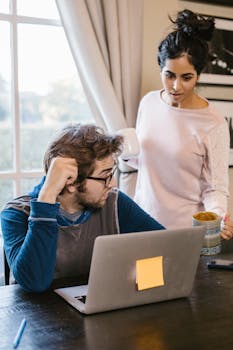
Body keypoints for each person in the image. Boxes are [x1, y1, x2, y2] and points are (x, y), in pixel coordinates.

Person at [1, 124, 165, 293]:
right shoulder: (16, 214)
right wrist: (47, 198)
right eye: (105, 176)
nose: (113, 183)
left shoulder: (115, 203)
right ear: (71, 182)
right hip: (37, 316)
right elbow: (35, 282)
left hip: (97, 308)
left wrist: (136, 284)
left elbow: (166, 248)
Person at [127, 9, 230, 233]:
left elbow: (216, 188)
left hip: (185, 233)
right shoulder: (148, 103)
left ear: (198, 75)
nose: (176, 86)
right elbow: (142, 160)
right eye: (169, 75)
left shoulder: (214, 123)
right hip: (141, 224)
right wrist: (121, 150)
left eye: (186, 78)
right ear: (161, 68)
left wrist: (218, 218)